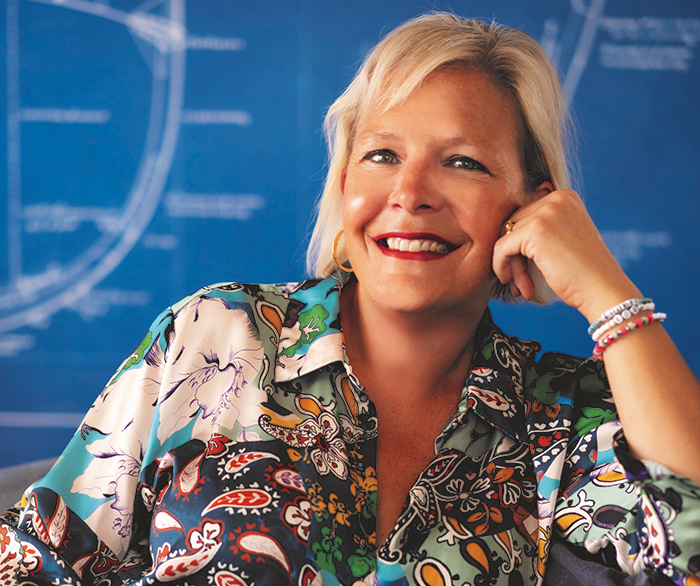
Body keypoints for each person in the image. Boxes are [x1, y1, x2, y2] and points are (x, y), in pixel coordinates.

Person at [1, 12, 699, 586]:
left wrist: (609, 291)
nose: (411, 192)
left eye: (463, 162)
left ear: (532, 211)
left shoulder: (565, 416)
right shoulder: (217, 336)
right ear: (343, 183)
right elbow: (31, 565)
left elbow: (690, 545)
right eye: (382, 154)